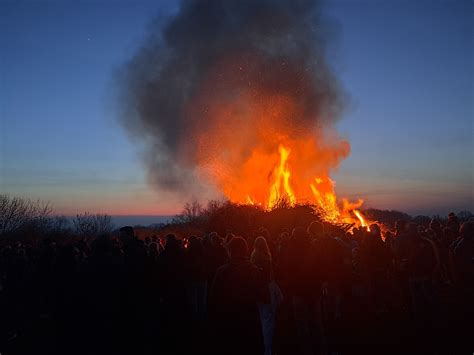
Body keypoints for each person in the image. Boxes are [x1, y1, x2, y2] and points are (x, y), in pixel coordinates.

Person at [209, 237, 264, 355]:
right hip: (250, 322)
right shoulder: (255, 271)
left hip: (228, 323)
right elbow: (261, 295)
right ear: (246, 250)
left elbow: (213, 300)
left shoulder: (222, 272)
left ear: (230, 251)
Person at [251, 236, 277, 355]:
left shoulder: (253, 259)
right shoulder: (267, 259)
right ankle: (268, 347)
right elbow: (270, 279)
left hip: (257, 291)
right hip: (266, 291)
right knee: (268, 319)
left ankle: (262, 344)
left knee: (262, 317)